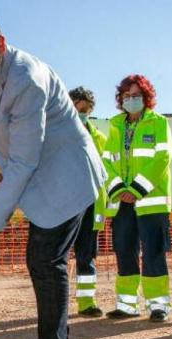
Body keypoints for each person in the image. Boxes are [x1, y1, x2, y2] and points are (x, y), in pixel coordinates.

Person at [0, 14, 105, 339]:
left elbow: (25, 160)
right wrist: (2, 174)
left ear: (0, 44)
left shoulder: (25, 79)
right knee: (40, 259)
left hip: (67, 180)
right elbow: (16, 144)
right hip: (47, 177)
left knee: (46, 261)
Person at [101, 75, 172, 322]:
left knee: (153, 252)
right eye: (126, 96)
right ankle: (126, 304)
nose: (131, 100)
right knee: (124, 250)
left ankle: (158, 305)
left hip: (151, 202)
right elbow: (107, 162)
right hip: (121, 203)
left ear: (146, 97)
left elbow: (162, 159)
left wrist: (136, 190)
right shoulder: (115, 125)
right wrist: (120, 190)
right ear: (120, 99)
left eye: (136, 95)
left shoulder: (159, 122)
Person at [68, 86, 108, 318]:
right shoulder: (56, 134)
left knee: (86, 256)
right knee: (56, 256)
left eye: (84, 110)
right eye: (77, 109)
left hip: (91, 205)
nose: (81, 114)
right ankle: (55, 304)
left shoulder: (100, 139)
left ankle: (86, 302)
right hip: (64, 204)